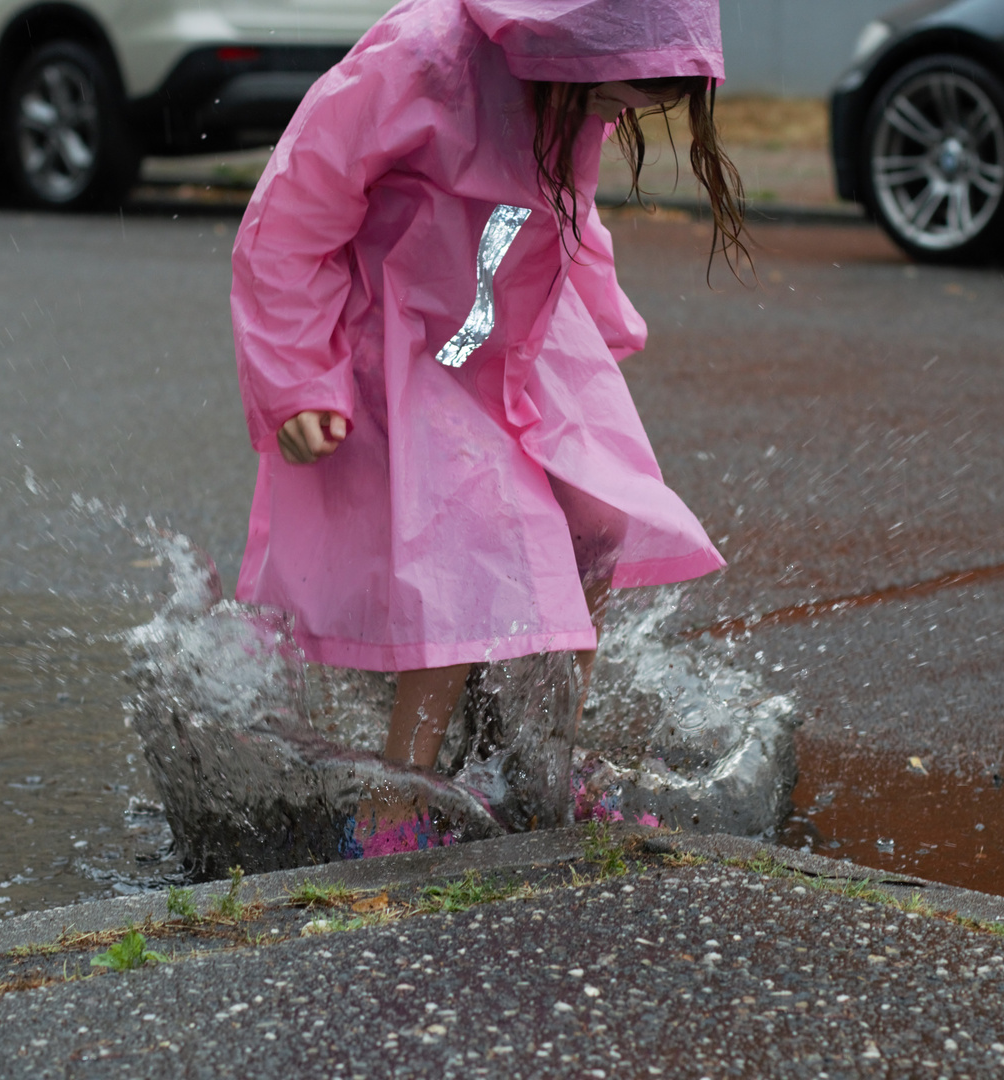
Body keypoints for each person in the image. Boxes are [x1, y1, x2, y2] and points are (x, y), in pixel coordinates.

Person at [231, 0, 745, 854]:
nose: (615, 120)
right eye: (613, 104)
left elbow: (561, 207)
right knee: (464, 543)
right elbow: (289, 220)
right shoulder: (420, 57)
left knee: (596, 520)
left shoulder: (570, 81)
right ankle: (396, 802)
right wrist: (296, 380)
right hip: (409, 336)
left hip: (505, 328)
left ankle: (541, 763)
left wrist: (603, 314)